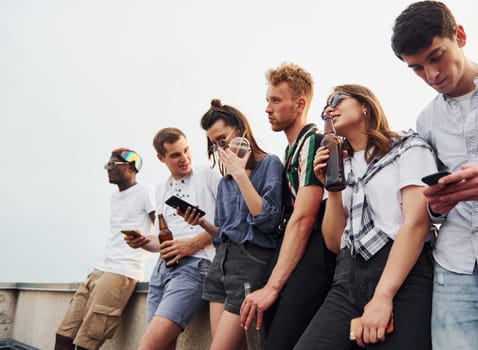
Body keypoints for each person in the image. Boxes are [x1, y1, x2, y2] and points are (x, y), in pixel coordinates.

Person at [391, 2, 478, 349]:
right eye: (417, 68)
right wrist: (438, 205)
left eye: (436, 56)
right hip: (459, 269)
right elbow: (432, 209)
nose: (431, 75)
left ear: (460, 36)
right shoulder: (426, 121)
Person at [294, 84, 436, 349]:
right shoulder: (340, 164)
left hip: (403, 272)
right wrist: (332, 187)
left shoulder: (408, 147)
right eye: (326, 105)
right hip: (348, 276)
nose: (329, 108)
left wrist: (383, 297)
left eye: (336, 99)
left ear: (365, 105)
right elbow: (334, 242)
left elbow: (416, 222)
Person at [240, 62, 336, 349]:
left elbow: (305, 217)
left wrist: (272, 287)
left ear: (300, 103)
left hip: (318, 247)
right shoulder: (290, 150)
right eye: (267, 101)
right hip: (297, 246)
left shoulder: (314, 141)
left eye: (276, 100)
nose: (268, 109)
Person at [181, 99, 283, 349]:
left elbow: (268, 220)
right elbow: (223, 234)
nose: (220, 147)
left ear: (241, 131)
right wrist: (202, 222)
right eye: (215, 143)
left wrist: (240, 173)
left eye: (223, 139)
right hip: (221, 265)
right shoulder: (225, 182)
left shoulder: (269, 164)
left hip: (251, 264)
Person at [125, 128, 221, 350]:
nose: (184, 158)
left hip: (195, 267)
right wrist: (144, 242)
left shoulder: (208, 173)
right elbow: (165, 241)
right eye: (175, 155)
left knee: (148, 346)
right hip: (162, 271)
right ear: (161, 158)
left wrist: (193, 244)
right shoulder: (161, 190)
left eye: (186, 150)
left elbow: (230, 222)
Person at [54, 148, 155, 350]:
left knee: (86, 344)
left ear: (131, 167)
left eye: (114, 165)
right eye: (107, 165)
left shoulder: (144, 192)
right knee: (63, 336)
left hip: (121, 272)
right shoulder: (115, 197)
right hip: (100, 269)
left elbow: (162, 226)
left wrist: (144, 240)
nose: (109, 169)